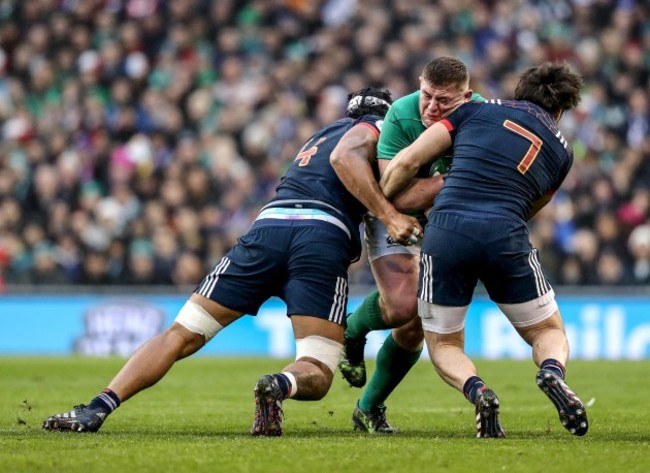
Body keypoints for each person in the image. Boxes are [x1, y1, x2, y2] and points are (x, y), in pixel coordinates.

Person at [42, 87, 422, 436]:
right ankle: (279, 384)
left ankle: (98, 406)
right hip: (320, 237)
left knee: (180, 334)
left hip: (268, 228)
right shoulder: (376, 129)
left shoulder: (319, 135)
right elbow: (360, 165)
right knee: (318, 369)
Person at [380, 61, 587, 438]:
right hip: (505, 230)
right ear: (559, 111)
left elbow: (408, 161)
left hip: (446, 230)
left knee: (443, 342)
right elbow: (533, 207)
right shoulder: (563, 153)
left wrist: (388, 197)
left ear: (518, 92)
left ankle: (479, 392)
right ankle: (552, 372)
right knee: (547, 331)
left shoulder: (474, 109)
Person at [338, 57, 482, 433]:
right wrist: (449, 184)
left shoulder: (481, 115)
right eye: (427, 95)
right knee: (403, 305)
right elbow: (394, 193)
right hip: (387, 209)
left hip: (442, 222)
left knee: (418, 322)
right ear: (419, 84)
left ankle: (367, 409)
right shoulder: (402, 114)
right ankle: (352, 330)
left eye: (444, 101)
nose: (431, 108)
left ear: (466, 97)